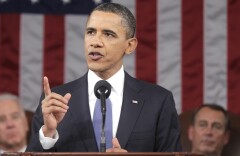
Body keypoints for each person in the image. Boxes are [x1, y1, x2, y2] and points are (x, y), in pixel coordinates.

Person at [26, 2, 181, 152]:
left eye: (108, 34)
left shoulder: (158, 101)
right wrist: (48, 134)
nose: (95, 42)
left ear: (130, 46)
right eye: (91, 32)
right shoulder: (55, 100)